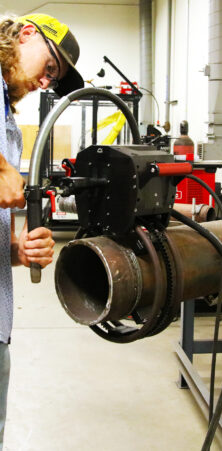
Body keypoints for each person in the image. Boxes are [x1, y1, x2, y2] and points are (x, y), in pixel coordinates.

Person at [0, 14, 84, 449]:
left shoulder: (9, 123)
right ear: (27, 33)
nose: (45, 82)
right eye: (49, 67)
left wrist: (17, 250)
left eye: (54, 79)